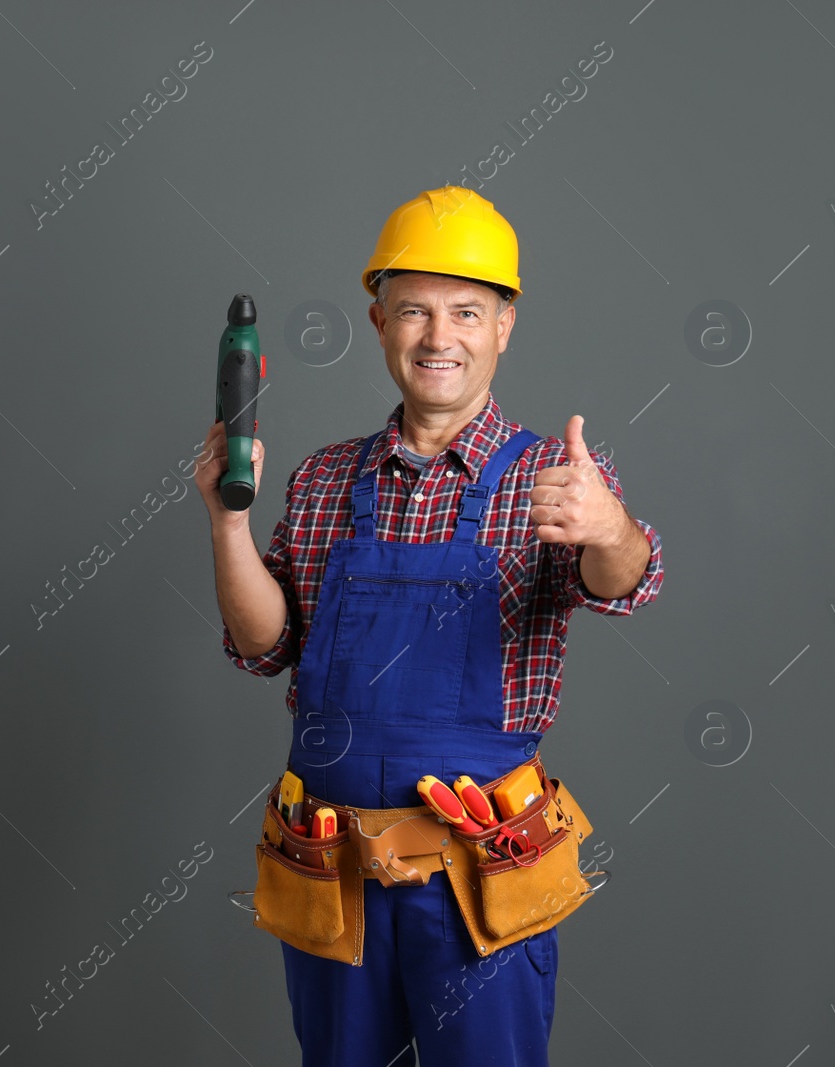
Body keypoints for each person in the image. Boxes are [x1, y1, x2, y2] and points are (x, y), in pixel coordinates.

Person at [196, 186, 664, 1066]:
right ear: (378, 322)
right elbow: (266, 646)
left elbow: (626, 582)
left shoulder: (553, 476)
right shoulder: (327, 478)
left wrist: (609, 529)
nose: (438, 336)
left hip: (480, 883)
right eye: (413, 310)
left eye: (466, 312)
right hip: (333, 881)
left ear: (505, 325)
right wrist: (228, 523)